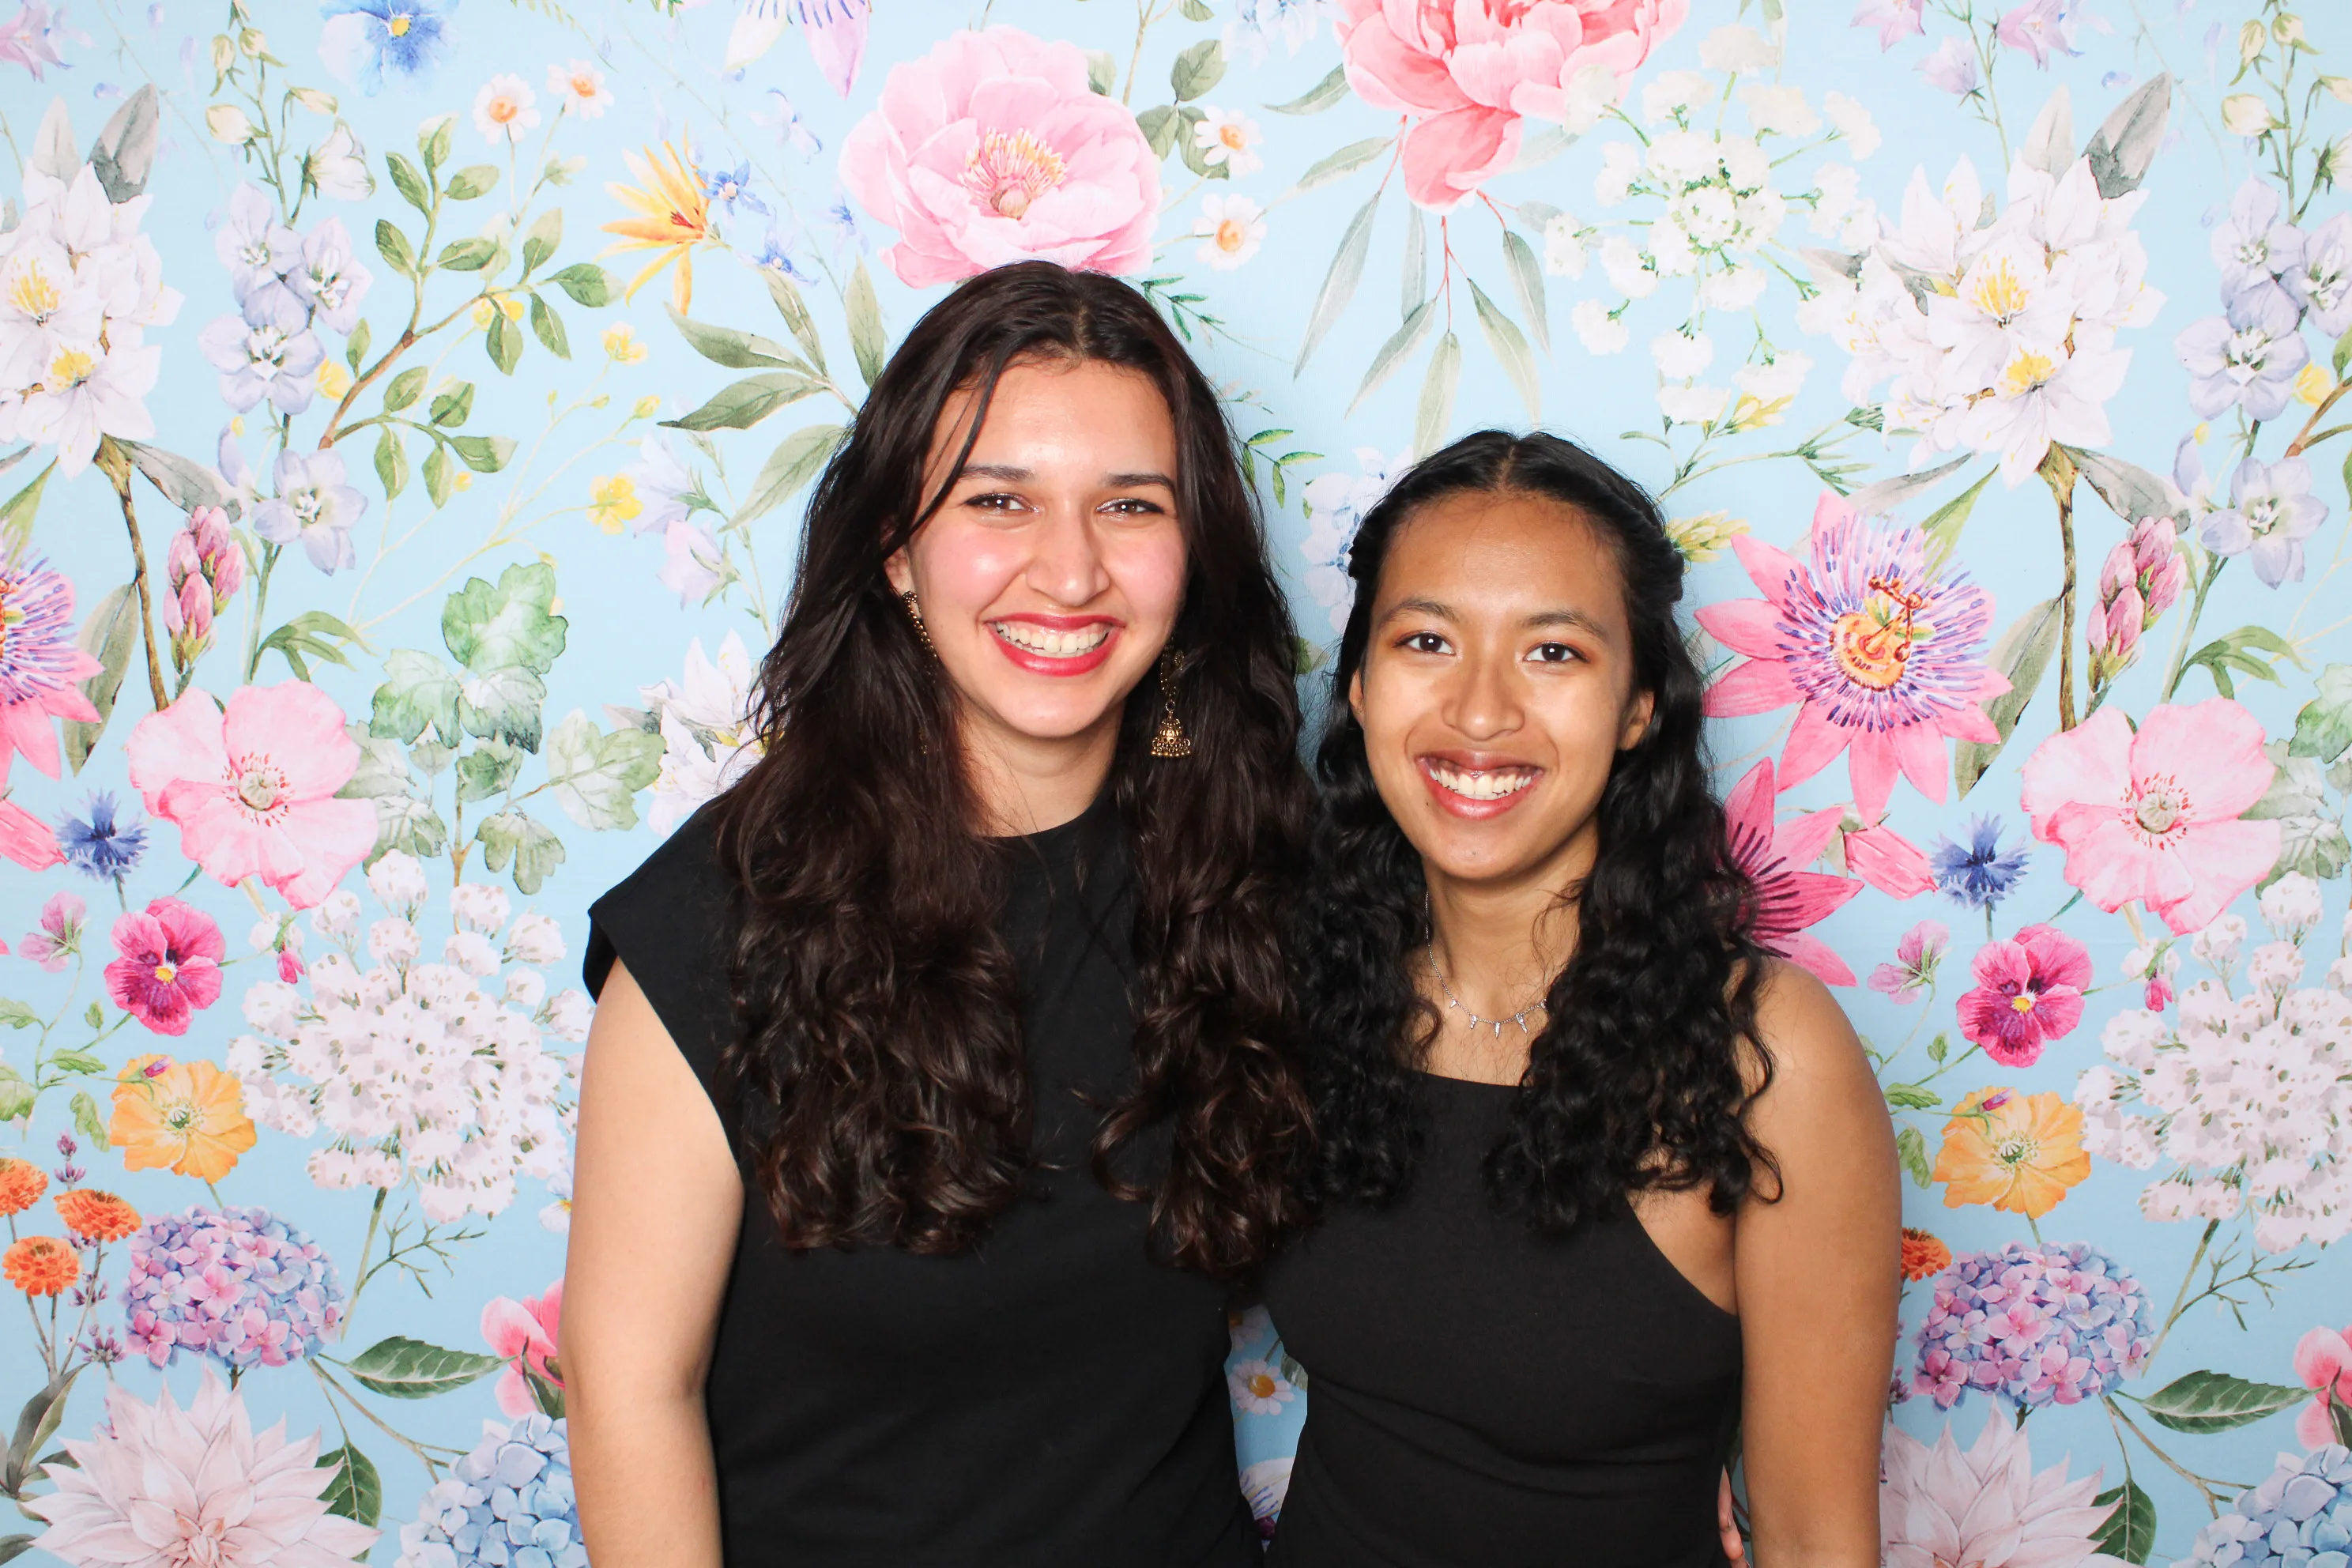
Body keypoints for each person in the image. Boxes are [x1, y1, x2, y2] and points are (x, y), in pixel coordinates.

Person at [561, 261, 1317, 1566]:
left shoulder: (1251, 874)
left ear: (1191, 555)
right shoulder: (724, 914)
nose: (1069, 571)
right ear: (898, 552)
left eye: (1130, 504)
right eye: (998, 500)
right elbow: (631, 1391)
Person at [1261, 431, 1900, 1567]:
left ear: (1639, 705)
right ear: (1358, 686)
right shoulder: (1298, 992)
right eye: (1426, 641)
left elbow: (1816, 1542)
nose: (1480, 711)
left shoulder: (1766, 1055)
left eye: (1553, 651)